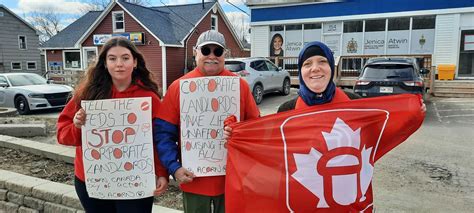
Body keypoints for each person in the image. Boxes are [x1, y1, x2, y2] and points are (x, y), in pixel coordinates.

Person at [57, 37, 168, 213]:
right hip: (93, 180)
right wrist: (77, 126)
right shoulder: (87, 94)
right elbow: (62, 135)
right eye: (112, 58)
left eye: (125, 58)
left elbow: (159, 139)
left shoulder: (149, 98)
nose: (119, 64)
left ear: (135, 62)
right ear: (104, 63)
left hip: (135, 179)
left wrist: (162, 172)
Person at [154, 30, 260, 213]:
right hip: (193, 180)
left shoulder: (239, 86)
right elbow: (164, 134)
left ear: (224, 54)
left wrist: (241, 134)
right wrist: (174, 167)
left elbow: (256, 129)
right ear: (196, 52)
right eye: (206, 50)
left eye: (217, 52)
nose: (212, 56)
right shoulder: (179, 87)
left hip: (232, 180)